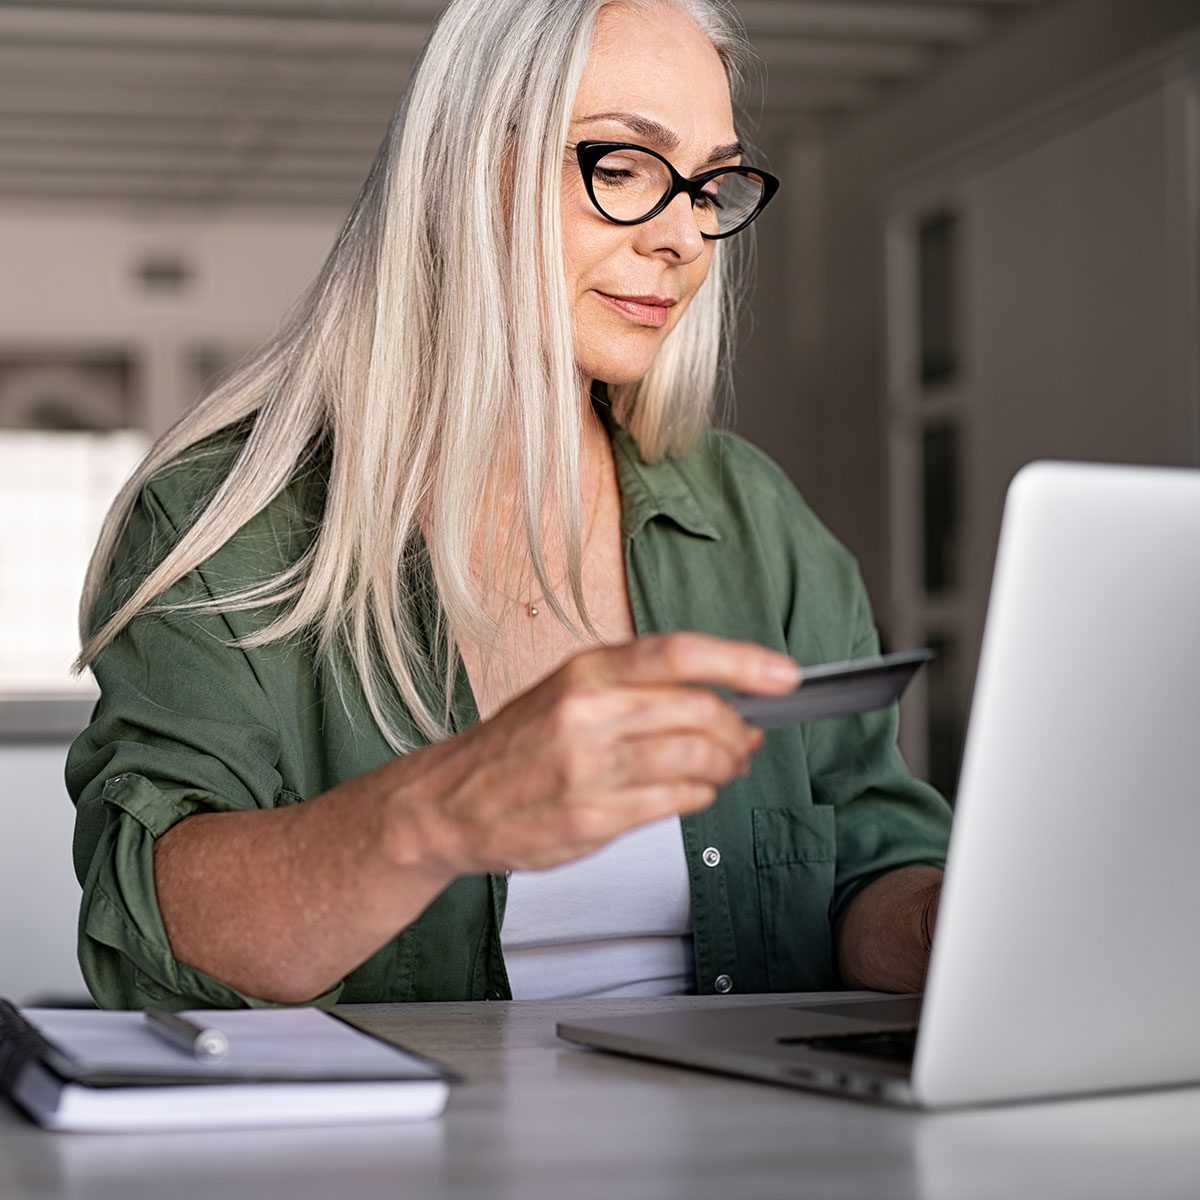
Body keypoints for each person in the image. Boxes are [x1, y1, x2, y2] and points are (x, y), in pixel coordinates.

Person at [67, 0, 951, 1010]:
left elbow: (869, 866)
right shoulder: (221, 523)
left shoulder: (754, 517)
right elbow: (157, 943)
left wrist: (958, 928)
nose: (685, 239)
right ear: (460, 169)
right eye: (620, 167)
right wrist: (446, 810)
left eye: (710, 184)